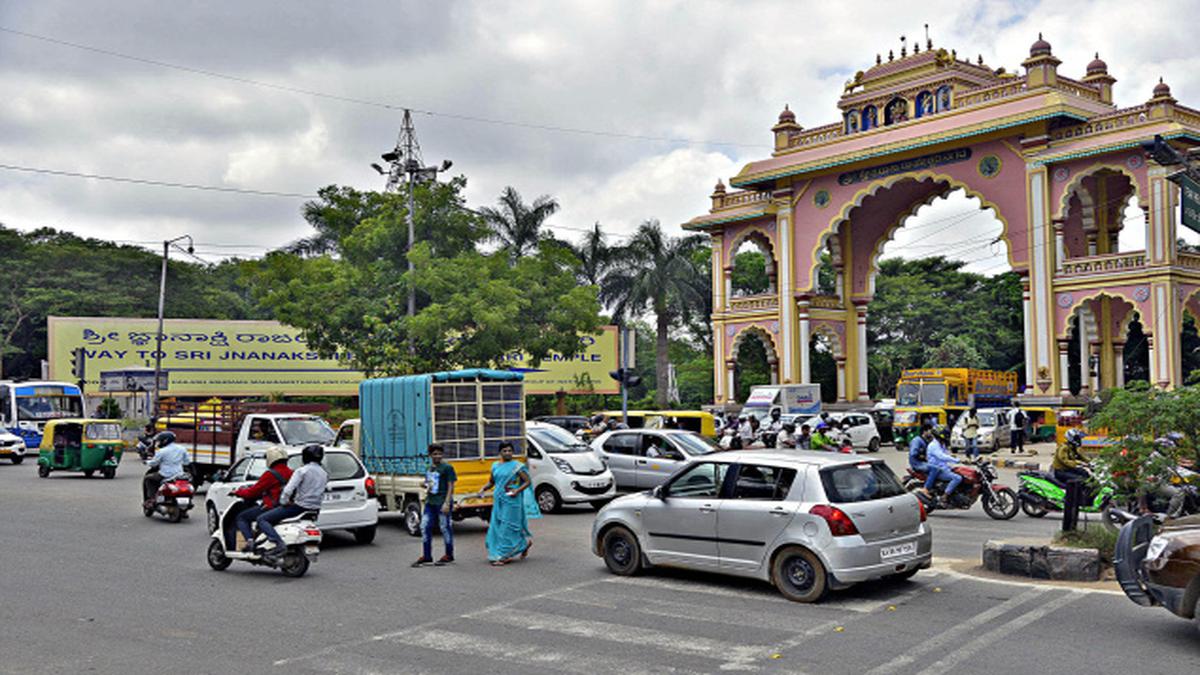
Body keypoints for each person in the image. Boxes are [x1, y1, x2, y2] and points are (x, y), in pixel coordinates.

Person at [476, 441, 541, 566]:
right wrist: (483, 489)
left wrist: (517, 490)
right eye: (504, 451)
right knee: (497, 527)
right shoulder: (495, 466)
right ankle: (523, 545)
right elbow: (492, 482)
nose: (507, 453)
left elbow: (527, 482)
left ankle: (503, 555)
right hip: (499, 500)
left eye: (510, 451)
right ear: (500, 452)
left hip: (512, 501)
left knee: (507, 528)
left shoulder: (518, 466)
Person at [257, 444, 328, 558]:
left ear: (305, 456)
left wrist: (284, 502)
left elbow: (287, 491)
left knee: (262, 519)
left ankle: (278, 544)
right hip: (315, 509)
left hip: (298, 507)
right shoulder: (324, 473)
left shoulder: (302, 471)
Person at [230, 446, 293, 552]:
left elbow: (252, 492)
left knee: (242, 518)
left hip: (271, 507)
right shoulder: (291, 472)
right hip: (284, 507)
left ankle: (250, 541)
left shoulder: (270, 474)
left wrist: (237, 492)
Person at [413, 444, 457, 567]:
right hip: (430, 502)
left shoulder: (447, 468)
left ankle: (449, 554)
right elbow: (429, 483)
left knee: (444, 527)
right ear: (430, 455)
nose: (437, 456)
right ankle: (427, 556)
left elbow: (451, 486)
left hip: (442, 502)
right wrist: (424, 484)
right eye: (435, 454)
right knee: (424, 527)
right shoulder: (430, 468)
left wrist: (447, 502)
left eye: (439, 454)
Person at [143, 431, 191, 508]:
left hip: (165, 474)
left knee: (148, 479)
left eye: (160, 440)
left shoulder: (162, 451)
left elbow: (154, 463)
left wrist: (146, 462)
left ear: (165, 440)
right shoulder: (182, 449)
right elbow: (187, 462)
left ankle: (151, 499)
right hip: (179, 474)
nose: (159, 443)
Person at [925, 428, 962, 503]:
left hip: (944, 468)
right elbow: (942, 456)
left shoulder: (941, 444)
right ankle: (945, 496)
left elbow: (947, 455)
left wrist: (959, 459)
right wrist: (957, 460)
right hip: (938, 470)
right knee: (957, 478)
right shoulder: (933, 445)